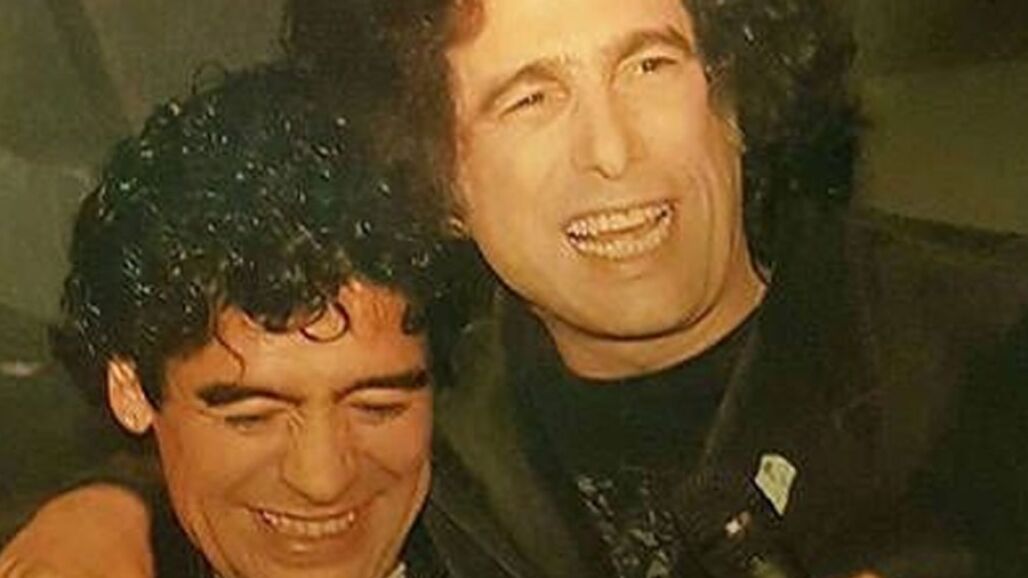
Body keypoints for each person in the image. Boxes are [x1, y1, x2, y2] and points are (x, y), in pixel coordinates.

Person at [4, 0, 1028, 576]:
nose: (610, 150)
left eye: (649, 66)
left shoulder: (990, 343)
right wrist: (104, 503)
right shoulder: (429, 423)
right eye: (529, 97)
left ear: (736, 96)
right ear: (438, 179)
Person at [0, 64, 525, 578]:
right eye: (252, 417)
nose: (322, 479)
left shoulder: (537, 538)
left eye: (377, 408)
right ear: (131, 391)